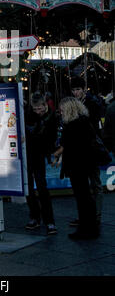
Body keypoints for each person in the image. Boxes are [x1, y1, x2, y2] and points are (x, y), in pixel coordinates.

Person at [54, 97, 99, 240]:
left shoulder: (73, 125)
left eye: (62, 110)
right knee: (86, 196)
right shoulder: (84, 121)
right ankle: (90, 227)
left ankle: (86, 228)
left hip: (77, 165)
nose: (60, 112)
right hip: (85, 164)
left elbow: (69, 146)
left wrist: (59, 155)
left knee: (82, 197)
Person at [70, 77, 103, 226]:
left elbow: (94, 126)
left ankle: (96, 215)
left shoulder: (91, 103)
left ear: (83, 89)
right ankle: (86, 215)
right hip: (82, 148)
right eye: (74, 90)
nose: (76, 92)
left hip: (90, 147)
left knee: (94, 183)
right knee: (83, 185)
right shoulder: (77, 104)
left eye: (77, 89)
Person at [25, 92, 58, 235]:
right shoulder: (29, 115)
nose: (38, 111)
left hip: (39, 154)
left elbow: (51, 138)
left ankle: (49, 220)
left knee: (42, 186)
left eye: (40, 108)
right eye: (35, 109)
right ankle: (34, 216)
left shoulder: (51, 117)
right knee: (28, 187)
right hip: (28, 153)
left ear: (45, 105)